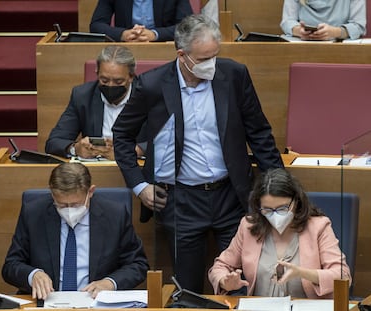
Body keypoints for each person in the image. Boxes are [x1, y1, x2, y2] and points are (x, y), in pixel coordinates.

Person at [112, 14, 284, 293]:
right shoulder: (153, 85)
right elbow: (122, 135)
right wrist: (139, 185)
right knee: (188, 287)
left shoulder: (233, 75)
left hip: (232, 195)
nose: (211, 64)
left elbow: (259, 133)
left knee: (238, 283)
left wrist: (279, 186)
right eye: (204, 59)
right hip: (181, 200)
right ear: (183, 55)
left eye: (215, 55)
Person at [2, 162, 149, 299]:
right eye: (62, 205)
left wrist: (110, 283)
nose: (69, 211)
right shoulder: (34, 213)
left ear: (90, 192)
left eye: (75, 205)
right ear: (52, 194)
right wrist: (32, 275)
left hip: (96, 303)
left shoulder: (115, 214)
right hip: (47, 302)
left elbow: (138, 264)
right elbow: (11, 265)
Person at [208, 168, 352, 298]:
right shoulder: (248, 227)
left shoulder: (318, 226)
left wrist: (303, 273)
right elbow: (220, 267)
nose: (275, 215)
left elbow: (343, 275)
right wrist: (224, 281)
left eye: (282, 208)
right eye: (268, 210)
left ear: (296, 201)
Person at [45, 45, 144, 160]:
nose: (110, 85)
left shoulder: (148, 95)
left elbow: (166, 141)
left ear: (131, 77)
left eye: (118, 81)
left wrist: (133, 151)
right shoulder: (83, 96)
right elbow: (54, 142)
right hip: (95, 169)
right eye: (104, 80)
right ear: (97, 73)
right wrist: (75, 148)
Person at [89, 0, 193, 42]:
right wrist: (123, 34)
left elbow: (189, 26)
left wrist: (154, 34)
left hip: (164, 49)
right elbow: (96, 25)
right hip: (125, 50)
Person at [280, 0, 366, 40]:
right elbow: (287, 21)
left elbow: (358, 26)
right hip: (302, 46)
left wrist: (335, 32)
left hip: (339, 48)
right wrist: (299, 31)